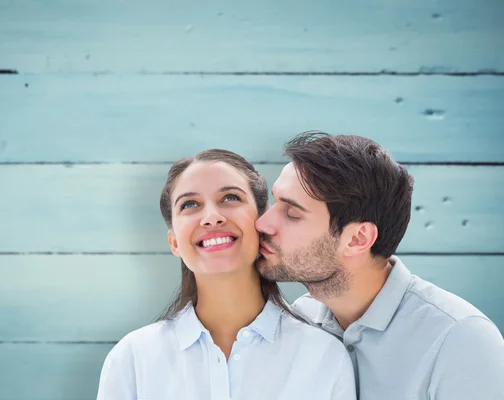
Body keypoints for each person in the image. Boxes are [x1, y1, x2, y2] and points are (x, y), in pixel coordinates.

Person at [255, 131, 504, 400]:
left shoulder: (460, 340)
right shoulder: (298, 322)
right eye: (274, 202)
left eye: (292, 213)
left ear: (358, 239)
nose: (263, 224)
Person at [97, 149, 356, 399]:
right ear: (174, 242)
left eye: (230, 198)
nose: (211, 217)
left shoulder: (323, 356)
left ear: (262, 222)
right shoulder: (132, 360)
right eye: (190, 204)